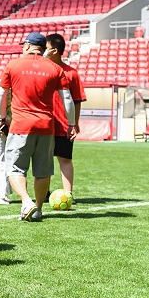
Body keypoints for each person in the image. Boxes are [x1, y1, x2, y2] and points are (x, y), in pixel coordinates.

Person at [0, 32, 70, 221]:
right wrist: (72, 123)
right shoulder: (55, 69)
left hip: (21, 125)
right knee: (43, 172)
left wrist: (1, 118)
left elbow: (1, 95)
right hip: (46, 127)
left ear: (28, 46)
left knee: (14, 168)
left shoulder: (13, 65)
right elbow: (67, 99)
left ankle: (25, 201)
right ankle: (38, 209)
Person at [45, 33, 84, 198]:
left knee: (65, 159)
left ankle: (68, 194)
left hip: (64, 126)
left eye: (45, 48)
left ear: (54, 50)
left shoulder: (71, 73)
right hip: (44, 124)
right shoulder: (42, 71)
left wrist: (74, 123)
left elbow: (77, 100)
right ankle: (44, 193)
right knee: (44, 161)